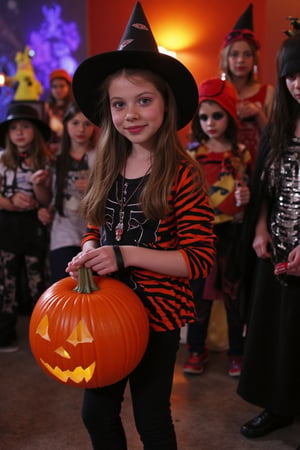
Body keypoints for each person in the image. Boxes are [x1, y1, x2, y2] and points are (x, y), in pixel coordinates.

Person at [65, 2, 216, 449]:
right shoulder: (107, 166)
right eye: (119, 104)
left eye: (143, 100)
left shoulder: (183, 175)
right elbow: (96, 225)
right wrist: (90, 252)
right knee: (96, 413)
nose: (130, 114)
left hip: (158, 317)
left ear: (165, 105)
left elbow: (197, 259)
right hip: (104, 313)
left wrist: (122, 254)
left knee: (152, 418)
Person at [237, 20, 300, 439]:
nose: (298, 84)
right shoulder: (278, 128)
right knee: (275, 333)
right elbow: (264, 188)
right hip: (275, 252)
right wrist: (259, 230)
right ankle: (278, 406)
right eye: (291, 75)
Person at [183, 78, 251, 377]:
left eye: (217, 115)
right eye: (204, 117)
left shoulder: (240, 153)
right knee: (199, 295)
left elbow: (248, 190)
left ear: (230, 115)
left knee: (235, 294)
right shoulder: (192, 153)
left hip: (233, 234)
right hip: (201, 234)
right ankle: (197, 349)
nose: (210, 123)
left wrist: (245, 197)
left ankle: (238, 351)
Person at [0, 103, 53, 351]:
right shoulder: (2, 160)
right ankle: (5, 331)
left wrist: (39, 190)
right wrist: (9, 202)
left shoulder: (45, 160)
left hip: (33, 225)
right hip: (7, 224)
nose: (19, 132)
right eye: (14, 128)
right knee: (7, 279)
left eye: (25, 127)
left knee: (36, 278)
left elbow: (46, 199)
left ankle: (42, 332)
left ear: (36, 131)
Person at [38, 102, 97, 283]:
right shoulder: (54, 158)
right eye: (75, 123)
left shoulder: (100, 156)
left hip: (94, 231)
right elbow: (48, 198)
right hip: (63, 232)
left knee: (93, 289)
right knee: (64, 285)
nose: (81, 129)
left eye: (87, 124)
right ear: (66, 125)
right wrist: (38, 187)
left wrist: (93, 187)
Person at [219, 3, 274, 170]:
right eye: (234, 55)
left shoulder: (267, 92)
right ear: (226, 59)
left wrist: (258, 114)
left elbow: (275, 138)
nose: (241, 60)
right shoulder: (216, 91)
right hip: (223, 169)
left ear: (254, 60)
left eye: (247, 54)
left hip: (259, 166)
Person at [44, 68, 73, 154]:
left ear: (68, 87)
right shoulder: (46, 108)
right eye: (55, 86)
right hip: (50, 151)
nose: (58, 90)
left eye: (62, 86)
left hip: (71, 150)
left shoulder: (74, 107)